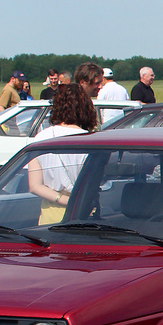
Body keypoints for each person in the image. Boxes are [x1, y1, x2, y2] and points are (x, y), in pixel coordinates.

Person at [27, 84, 97, 224]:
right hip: (83, 212)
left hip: (50, 213)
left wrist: (62, 199)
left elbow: (34, 186)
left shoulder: (41, 138)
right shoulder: (90, 141)